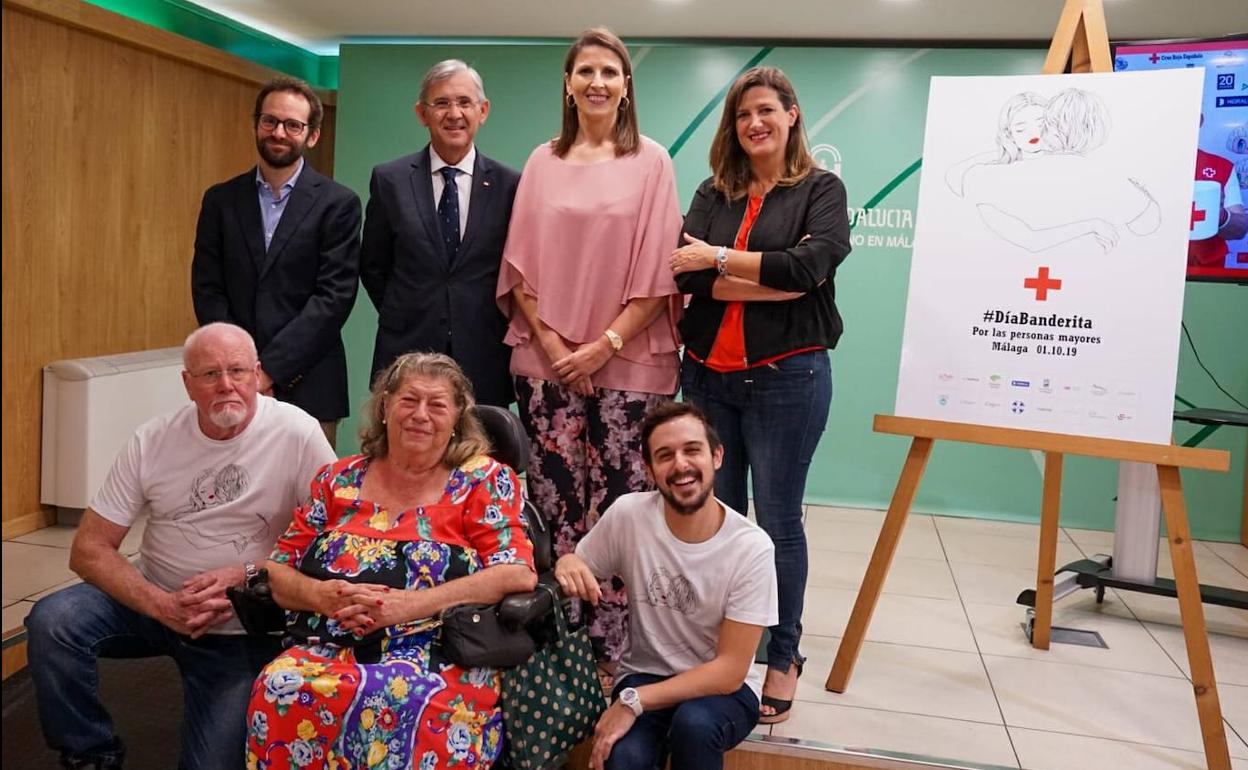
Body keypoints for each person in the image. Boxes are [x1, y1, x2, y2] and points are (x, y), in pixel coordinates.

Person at [24, 323, 336, 770]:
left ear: (257, 375)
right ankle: (90, 753)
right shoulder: (153, 439)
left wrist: (246, 574)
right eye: (209, 374)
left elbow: (333, 543)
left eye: (237, 371)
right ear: (187, 384)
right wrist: (162, 605)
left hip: (242, 627)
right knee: (53, 621)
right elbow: (89, 550)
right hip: (155, 604)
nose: (225, 385)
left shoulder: (297, 432)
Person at [244, 352, 537, 770]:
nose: (420, 415)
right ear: (385, 406)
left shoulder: (483, 480)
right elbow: (275, 568)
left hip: (436, 649)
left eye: (437, 405)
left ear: (457, 417)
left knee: (403, 697)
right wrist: (322, 596)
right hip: (329, 643)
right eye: (408, 400)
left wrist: (406, 606)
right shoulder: (337, 479)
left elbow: (516, 572)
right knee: (277, 685)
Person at [496, 27, 683, 673]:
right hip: (545, 362)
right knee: (554, 505)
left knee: (621, 508)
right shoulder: (542, 160)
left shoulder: (652, 161)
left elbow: (660, 273)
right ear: (568, 84)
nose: (597, 82)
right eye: (586, 71)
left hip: (630, 363)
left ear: (627, 85)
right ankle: (560, 642)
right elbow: (518, 268)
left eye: (609, 71)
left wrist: (602, 346)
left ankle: (614, 650)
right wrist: (556, 346)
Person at [669, 66, 849, 724]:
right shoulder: (712, 192)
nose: (755, 123)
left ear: (792, 115)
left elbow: (810, 267)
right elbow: (686, 277)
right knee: (716, 521)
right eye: (743, 115)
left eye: (767, 110)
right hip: (707, 378)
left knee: (777, 522)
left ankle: (782, 654)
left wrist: (718, 259)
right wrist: (769, 279)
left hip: (787, 379)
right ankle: (722, 649)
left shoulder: (821, 190)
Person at [555, 401, 777, 770]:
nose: (680, 465)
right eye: (665, 455)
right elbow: (579, 564)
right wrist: (567, 563)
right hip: (646, 673)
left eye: (692, 450)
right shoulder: (629, 515)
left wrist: (633, 702)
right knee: (624, 757)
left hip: (723, 690)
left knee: (695, 725)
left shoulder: (751, 548)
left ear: (717, 456)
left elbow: (729, 671)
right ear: (650, 469)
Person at [192, 76, 362, 449]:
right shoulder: (221, 200)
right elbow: (208, 289)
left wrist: (267, 371)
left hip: (310, 382)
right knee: (230, 480)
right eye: (270, 121)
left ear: (312, 136)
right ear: (256, 125)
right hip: (230, 386)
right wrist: (238, 368)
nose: (279, 132)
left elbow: (333, 298)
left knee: (311, 486)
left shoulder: (339, 204)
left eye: (292, 125)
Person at [361, 60, 522, 407]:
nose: (454, 114)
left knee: (482, 443)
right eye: (441, 103)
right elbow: (374, 265)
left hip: (484, 354)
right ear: (422, 113)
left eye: (464, 102)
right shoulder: (390, 180)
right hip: (406, 350)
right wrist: (408, 309)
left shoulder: (510, 185)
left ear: (483, 111)